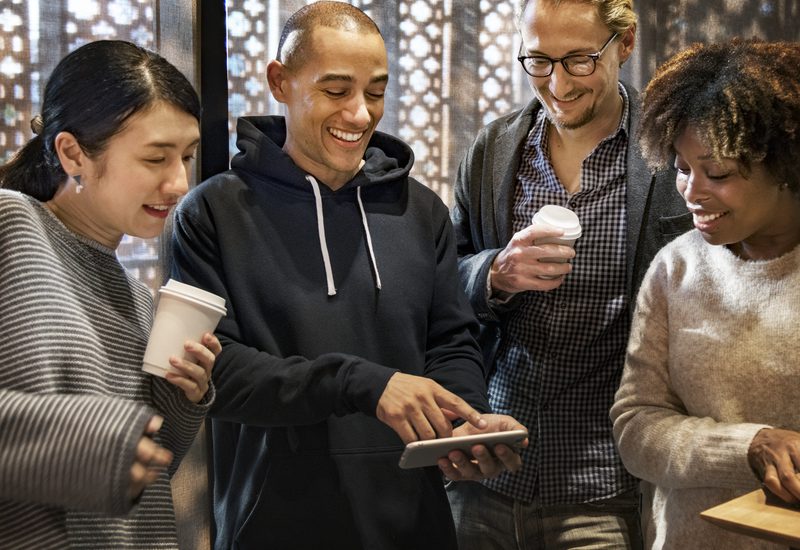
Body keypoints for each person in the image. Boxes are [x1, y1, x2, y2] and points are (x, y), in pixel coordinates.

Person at [170, 2, 525, 549]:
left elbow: (450, 343)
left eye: (376, 92)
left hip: (414, 524)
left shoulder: (420, 211)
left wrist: (464, 425)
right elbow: (221, 371)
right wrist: (362, 383)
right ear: (280, 82)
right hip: (271, 528)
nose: (360, 114)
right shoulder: (212, 213)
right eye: (336, 91)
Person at [445, 0, 695, 548]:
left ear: (623, 45)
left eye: (579, 60)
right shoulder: (493, 149)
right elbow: (442, 282)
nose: (557, 83)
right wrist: (494, 273)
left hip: (604, 486)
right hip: (488, 473)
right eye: (538, 60)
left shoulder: (668, 155)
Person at [0, 40, 220, 549]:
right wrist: (89, 439)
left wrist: (182, 397)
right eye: (155, 158)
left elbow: (136, 478)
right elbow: (93, 450)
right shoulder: (12, 226)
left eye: (186, 156)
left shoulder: (140, 301)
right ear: (72, 152)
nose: (179, 182)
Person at [610, 38, 800, 550]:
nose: (691, 190)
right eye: (681, 166)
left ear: (784, 165)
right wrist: (749, 445)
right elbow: (635, 427)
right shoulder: (676, 267)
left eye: (716, 172)